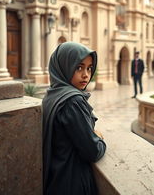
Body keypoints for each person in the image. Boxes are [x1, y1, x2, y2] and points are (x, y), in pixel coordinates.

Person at [42, 42, 106, 195]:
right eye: (79, 67)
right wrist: (100, 139)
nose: (86, 75)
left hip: (56, 177)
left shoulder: (52, 94)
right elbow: (92, 151)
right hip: (72, 182)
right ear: (64, 66)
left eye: (89, 68)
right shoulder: (72, 101)